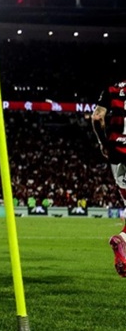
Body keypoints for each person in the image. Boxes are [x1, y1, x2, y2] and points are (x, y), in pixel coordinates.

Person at [91, 78, 126, 277]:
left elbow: (97, 117)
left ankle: (122, 240)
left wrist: (103, 143)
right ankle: (123, 238)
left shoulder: (112, 89)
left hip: (117, 155)